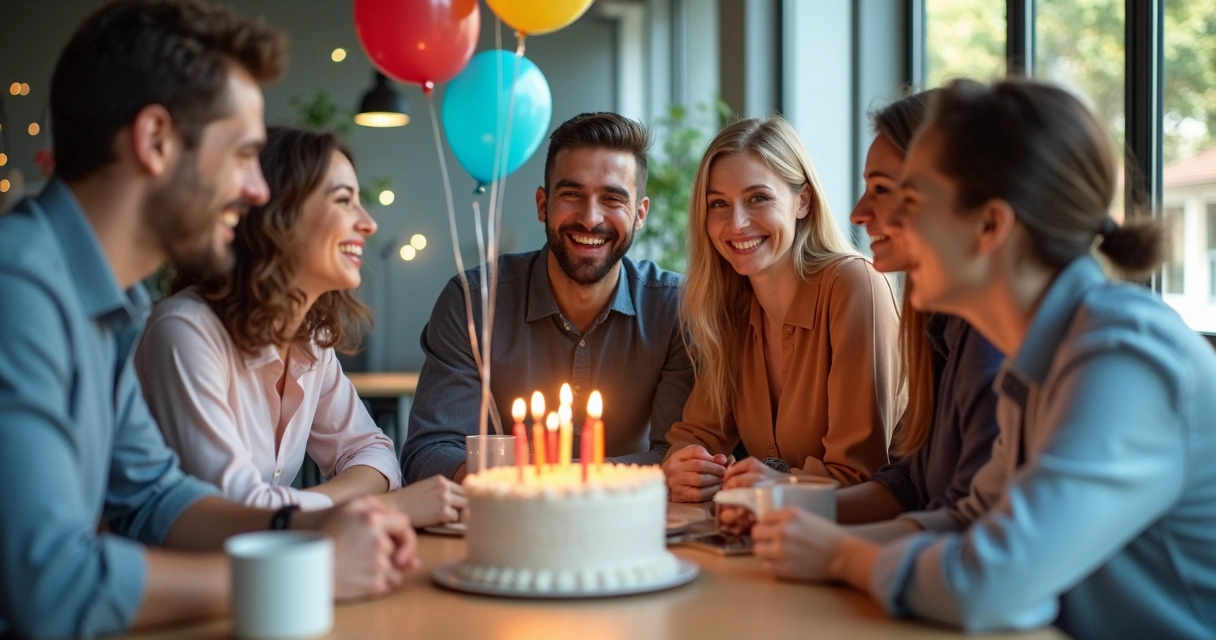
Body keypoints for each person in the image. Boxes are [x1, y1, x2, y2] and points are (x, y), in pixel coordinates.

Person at [0, 2, 417, 637]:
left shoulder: (114, 304)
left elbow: (157, 499)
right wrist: (304, 570)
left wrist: (309, 529)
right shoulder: (18, 289)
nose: (257, 191)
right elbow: (54, 586)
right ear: (155, 141)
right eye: (243, 155)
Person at [751, 78, 1216, 639]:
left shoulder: (1122, 359)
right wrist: (809, 528)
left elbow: (988, 581)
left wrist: (840, 557)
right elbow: (971, 520)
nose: (888, 222)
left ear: (991, 225)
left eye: (912, 201)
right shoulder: (1044, 352)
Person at [136, 127, 465, 527]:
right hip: (180, 584)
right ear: (278, 215)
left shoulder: (311, 341)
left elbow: (375, 454)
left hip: (271, 574)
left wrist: (313, 510)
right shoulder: (184, 331)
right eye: (344, 201)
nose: (368, 223)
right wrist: (373, 510)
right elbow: (233, 509)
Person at [401, 112, 695, 483]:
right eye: (572, 195)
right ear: (543, 205)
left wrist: (549, 478)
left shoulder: (674, 309)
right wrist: (539, 485)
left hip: (628, 525)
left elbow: (678, 452)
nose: (590, 219)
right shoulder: (473, 302)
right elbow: (430, 452)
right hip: (504, 527)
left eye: (612, 199)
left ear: (639, 214)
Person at [663, 115, 903, 503]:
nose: (737, 223)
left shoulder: (855, 286)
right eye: (719, 204)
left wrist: (776, 486)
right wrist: (683, 466)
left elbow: (860, 475)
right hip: (782, 537)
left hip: (875, 540)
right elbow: (695, 436)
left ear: (802, 201)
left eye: (758, 198)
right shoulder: (732, 307)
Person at [834, 90, 1002, 525]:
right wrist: (792, 511)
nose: (858, 213)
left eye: (887, 191)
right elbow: (913, 482)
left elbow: (973, 531)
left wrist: (834, 549)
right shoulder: (940, 319)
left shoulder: (999, 339)